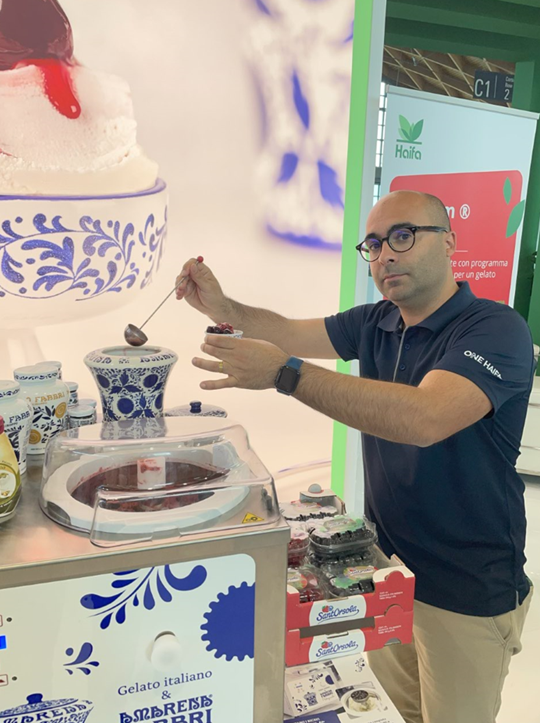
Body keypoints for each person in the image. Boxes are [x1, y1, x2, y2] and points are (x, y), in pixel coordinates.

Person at [176, 190, 534, 723]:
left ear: (449, 242)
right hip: (388, 571)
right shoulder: (376, 322)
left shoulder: (494, 328)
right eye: (374, 244)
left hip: (467, 586)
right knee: (397, 710)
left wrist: (285, 374)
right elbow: (288, 332)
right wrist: (224, 309)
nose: (385, 254)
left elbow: (425, 418)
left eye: (403, 236)